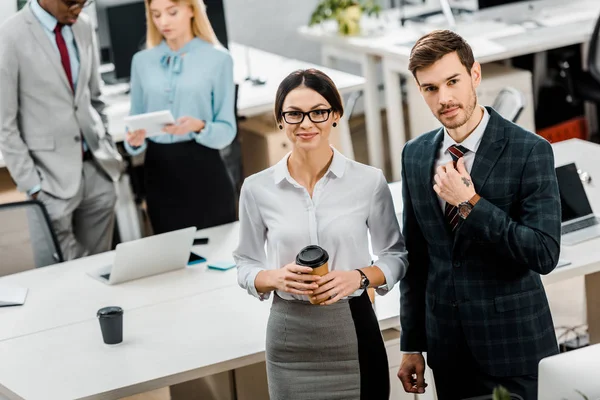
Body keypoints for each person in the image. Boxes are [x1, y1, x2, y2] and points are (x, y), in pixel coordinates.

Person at [397, 30, 561, 400]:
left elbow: (544, 252)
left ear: (475, 75)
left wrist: (470, 203)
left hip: (514, 347)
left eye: (453, 81)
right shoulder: (415, 155)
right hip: (449, 351)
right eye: (431, 88)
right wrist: (413, 344)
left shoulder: (530, 151)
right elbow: (418, 258)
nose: (445, 98)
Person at [233, 68, 408, 400]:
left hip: (353, 331)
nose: (306, 123)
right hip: (289, 340)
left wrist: (357, 277)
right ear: (280, 121)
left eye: (318, 112)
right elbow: (245, 264)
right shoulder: (256, 189)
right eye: (294, 114)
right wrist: (275, 278)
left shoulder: (368, 182)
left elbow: (395, 258)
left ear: (335, 116)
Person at [0, 0, 122, 261]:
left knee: (101, 270)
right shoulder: (10, 35)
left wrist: (108, 150)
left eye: (85, 1)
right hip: (49, 180)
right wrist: (33, 186)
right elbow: (4, 124)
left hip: (97, 171)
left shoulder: (84, 26)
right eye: (72, 2)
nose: (79, 8)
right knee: (58, 279)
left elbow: (95, 98)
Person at [124, 0, 236, 234]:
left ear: (191, 10)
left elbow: (227, 130)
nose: (163, 22)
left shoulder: (219, 59)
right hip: (159, 173)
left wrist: (199, 126)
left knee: (218, 258)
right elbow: (133, 123)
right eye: (156, 15)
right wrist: (133, 141)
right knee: (173, 260)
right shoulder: (141, 61)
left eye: (171, 12)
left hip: (204, 169)